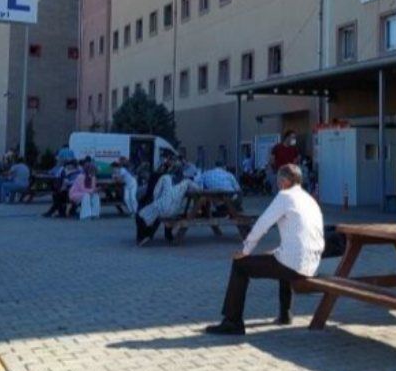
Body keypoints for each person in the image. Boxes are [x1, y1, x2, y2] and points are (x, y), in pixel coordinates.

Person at [205, 164, 324, 335]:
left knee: (240, 266)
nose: (277, 185)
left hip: (294, 264)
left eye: (278, 181)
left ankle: (232, 322)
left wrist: (245, 251)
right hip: (312, 264)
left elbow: (262, 224)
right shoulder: (310, 200)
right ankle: (285, 314)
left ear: (284, 182)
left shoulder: (285, 196)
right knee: (282, 256)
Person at [135, 166, 196, 245]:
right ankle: (167, 236)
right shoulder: (187, 182)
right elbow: (197, 188)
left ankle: (144, 236)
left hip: (161, 206)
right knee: (157, 216)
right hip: (175, 210)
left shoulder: (165, 178)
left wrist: (156, 202)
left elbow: (156, 193)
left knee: (140, 215)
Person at [269, 131, 301, 195]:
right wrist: (274, 169)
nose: (294, 140)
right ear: (287, 138)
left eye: (294, 138)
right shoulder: (277, 147)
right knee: (280, 193)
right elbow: (272, 159)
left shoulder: (294, 148)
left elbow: (297, 159)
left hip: (290, 175)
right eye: (292, 137)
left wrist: (296, 163)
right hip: (280, 174)